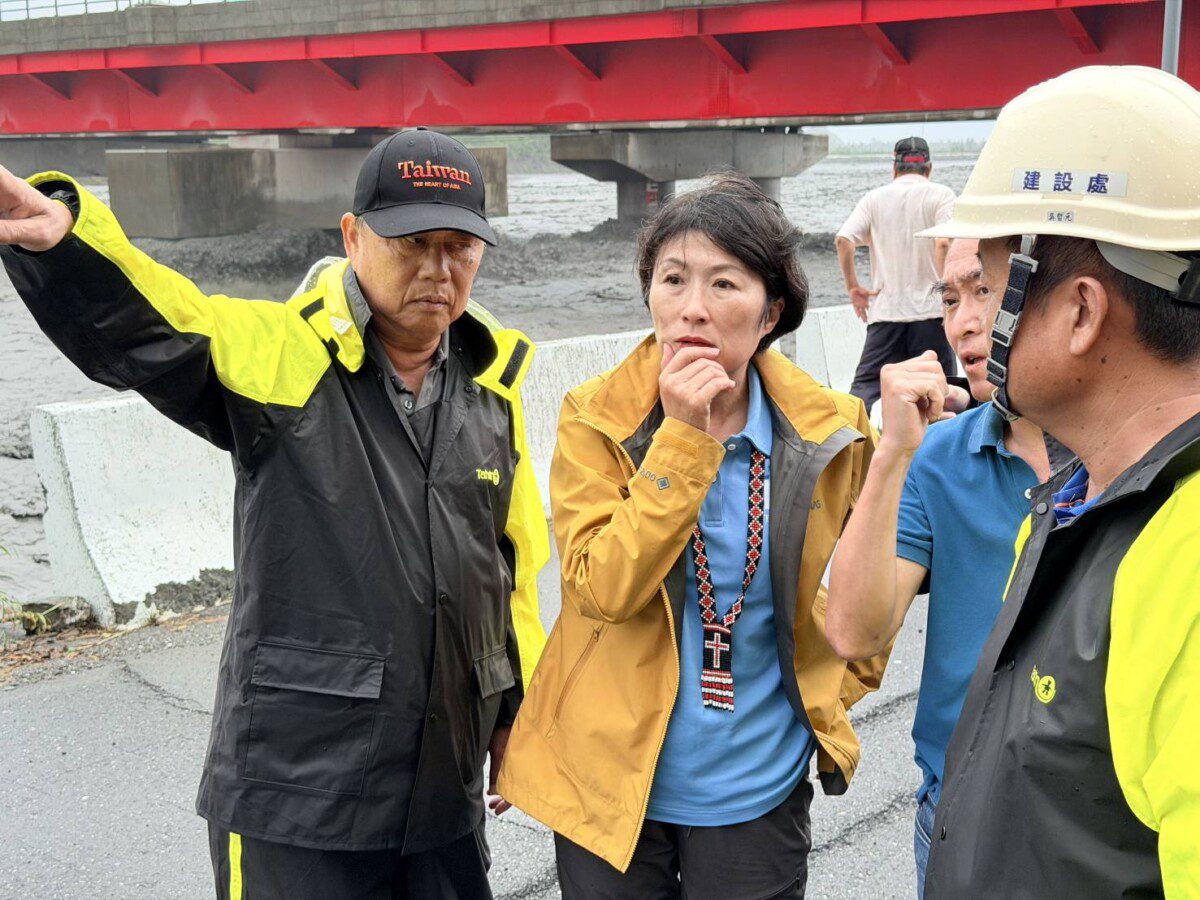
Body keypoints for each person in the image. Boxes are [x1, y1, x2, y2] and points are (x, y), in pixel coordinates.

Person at [0, 128, 549, 899]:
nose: (438, 269)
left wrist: (514, 708)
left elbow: (510, 564)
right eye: (413, 241)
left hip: (441, 797)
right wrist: (65, 243)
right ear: (354, 237)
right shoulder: (283, 355)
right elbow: (164, 324)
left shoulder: (495, 386)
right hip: (298, 797)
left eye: (460, 246)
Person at [497, 173, 887, 898]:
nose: (692, 310)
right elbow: (601, 590)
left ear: (771, 312)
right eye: (672, 280)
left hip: (756, 790)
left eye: (724, 285)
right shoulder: (596, 419)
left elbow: (870, 595)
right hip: (608, 786)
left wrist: (826, 700)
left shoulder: (832, 431)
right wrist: (681, 440)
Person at [914, 65, 1200, 896]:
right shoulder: (1086, 497)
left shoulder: (1179, 557)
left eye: (993, 281)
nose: (969, 314)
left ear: (1080, 312)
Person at [824, 237, 1054, 897]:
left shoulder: (1135, 456)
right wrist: (893, 452)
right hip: (960, 814)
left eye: (985, 290)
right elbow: (854, 632)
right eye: (950, 299)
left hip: (1099, 815)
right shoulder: (939, 457)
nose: (963, 320)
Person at [837, 137, 957, 413]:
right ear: (929, 168)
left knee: (864, 393)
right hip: (930, 314)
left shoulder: (873, 199)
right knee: (942, 392)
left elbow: (844, 240)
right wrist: (948, 292)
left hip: (886, 315)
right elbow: (943, 243)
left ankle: (859, 450)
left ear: (895, 168)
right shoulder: (941, 195)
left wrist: (854, 287)